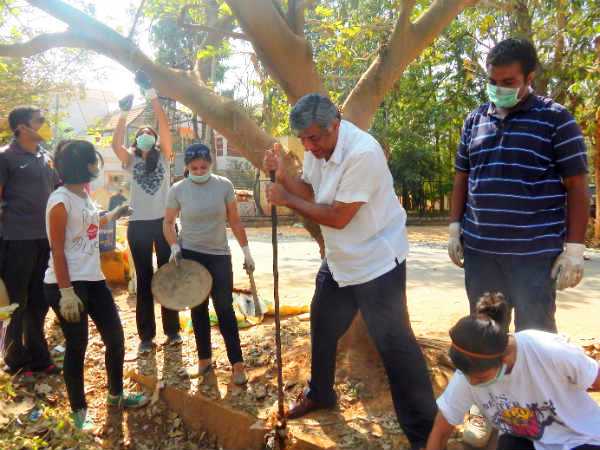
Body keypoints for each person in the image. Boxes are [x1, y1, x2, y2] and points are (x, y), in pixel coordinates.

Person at [264, 93, 436, 450]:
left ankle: (425, 435)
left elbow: (338, 217)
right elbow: (311, 192)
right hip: (341, 260)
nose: (309, 146)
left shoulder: (363, 153)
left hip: (376, 263)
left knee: (396, 347)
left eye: (315, 138)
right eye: (303, 139)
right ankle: (321, 393)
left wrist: (286, 198)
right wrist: (284, 176)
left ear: (335, 125)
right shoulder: (317, 151)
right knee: (322, 323)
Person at [447, 38, 590, 446]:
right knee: (484, 336)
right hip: (482, 252)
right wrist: (455, 226)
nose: (498, 88)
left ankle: (541, 414)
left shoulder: (556, 120)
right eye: (492, 81)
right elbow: (462, 176)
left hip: (533, 256)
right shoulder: (474, 120)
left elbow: (577, 185)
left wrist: (574, 248)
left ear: (530, 77)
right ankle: (488, 410)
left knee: (536, 338)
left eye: (508, 81)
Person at [44, 139, 148, 430]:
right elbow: (57, 250)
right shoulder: (60, 201)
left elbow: (90, 223)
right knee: (77, 345)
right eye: (92, 160)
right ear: (83, 165)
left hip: (93, 279)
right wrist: (66, 292)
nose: (95, 165)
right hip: (67, 283)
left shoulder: (83, 195)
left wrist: (113, 215)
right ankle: (79, 412)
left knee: (115, 338)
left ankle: (116, 395)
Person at [425, 292, 600, 450]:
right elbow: (441, 431)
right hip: (528, 441)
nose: (472, 383)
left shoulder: (548, 350)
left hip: (581, 439)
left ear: (504, 358)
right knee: (509, 442)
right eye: (467, 376)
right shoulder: (469, 374)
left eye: (481, 378)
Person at [163, 143, 255, 385]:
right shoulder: (178, 189)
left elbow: (234, 220)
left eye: (204, 167)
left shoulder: (224, 185)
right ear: (187, 167)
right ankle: (204, 361)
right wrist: (174, 246)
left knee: (224, 308)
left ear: (210, 164)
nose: (199, 171)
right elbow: (168, 222)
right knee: (198, 309)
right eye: (194, 168)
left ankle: (237, 363)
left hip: (219, 256)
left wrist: (246, 252)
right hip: (191, 256)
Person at [111, 71, 180, 353]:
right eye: (141, 135)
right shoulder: (130, 160)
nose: (146, 136)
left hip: (164, 224)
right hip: (138, 225)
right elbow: (115, 143)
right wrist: (124, 113)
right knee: (144, 278)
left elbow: (164, 125)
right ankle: (146, 337)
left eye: (149, 134)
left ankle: (173, 332)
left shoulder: (164, 156)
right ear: (136, 141)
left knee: (167, 277)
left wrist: (151, 95)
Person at [0, 106, 59, 377]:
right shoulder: (6, 157)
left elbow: (57, 190)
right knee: (15, 302)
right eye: (40, 121)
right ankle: (15, 359)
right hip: (16, 240)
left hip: (44, 239)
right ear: (22, 127)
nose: (45, 124)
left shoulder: (45, 157)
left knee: (39, 300)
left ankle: (39, 357)